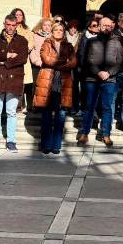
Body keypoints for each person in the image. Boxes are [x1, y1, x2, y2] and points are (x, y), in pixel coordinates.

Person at [0, 14, 29, 152]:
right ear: (4, 24)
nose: (10, 28)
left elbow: (22, 58)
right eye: (8, 24)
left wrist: (3, 61)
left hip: (14, 79)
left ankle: (11, 141)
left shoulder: (22, 40)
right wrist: (7, 55)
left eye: (13, 25)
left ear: (16, 25)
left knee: (11, 112)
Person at [77, 17, 123, 147]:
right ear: (99, 26)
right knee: (89, 106)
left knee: (107, 108)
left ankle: (106, 134)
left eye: (109, 25)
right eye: (104, 25)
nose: (107, 28)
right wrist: (98, 72)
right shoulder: (91, 42)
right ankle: (84, 133)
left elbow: (120, 62)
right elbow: (87, 60)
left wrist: (109, 73)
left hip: (110, 80)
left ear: (112, 27)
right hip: (92, 79)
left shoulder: (117, 43)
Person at [34, 22, 77, 154]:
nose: (58, 32)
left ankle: (56, 145)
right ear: (52, 32)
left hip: (63, 84)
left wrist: (60, 65)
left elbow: (73, 62)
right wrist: (62, 62)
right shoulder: (46, 43)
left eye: (61, 30)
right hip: (48, 84)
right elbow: (46, 59)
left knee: (61, 116)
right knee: (46, 115)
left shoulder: (69, 46)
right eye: (56, 30)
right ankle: (46, 144)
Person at [10, 8, 35, 113]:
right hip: (13, 59)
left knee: (25, 84)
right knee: (16, 83)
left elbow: (31, 42)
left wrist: (24, 50)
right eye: (16, 15)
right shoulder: (10, 27)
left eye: (20, 15)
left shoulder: (27, 29)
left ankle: (28, 106)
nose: (18, 16)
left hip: (24, 60)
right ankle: (17, 106)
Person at [29, 18, 53, 92]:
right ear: (41, 26)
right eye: (44, 25)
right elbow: (32, 50)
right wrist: (37, 62)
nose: (46, 27)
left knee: (48, 88)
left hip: (49, 66)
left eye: (49, 25)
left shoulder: (53, 37)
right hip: (37, 66)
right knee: (36, 87)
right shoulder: (35, 36)